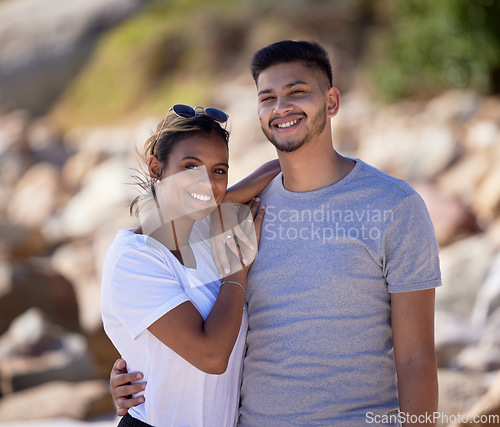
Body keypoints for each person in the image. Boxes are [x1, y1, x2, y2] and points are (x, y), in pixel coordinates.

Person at [110, 41, 441, 426]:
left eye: (297, 92)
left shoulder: (393, 206)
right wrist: (126, 375)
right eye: (268, 98)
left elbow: (416, 358)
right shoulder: (239, 216)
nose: (281, 107)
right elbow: (150, 269)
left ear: (332, 102)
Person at [101, 105, 280, 427]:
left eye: (219, 170)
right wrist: (236, 270)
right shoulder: (134, 259)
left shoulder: (205, 236)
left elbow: (248, 183)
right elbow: (211, 356)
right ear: (156, 168)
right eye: (190, 166)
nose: (206, 181)